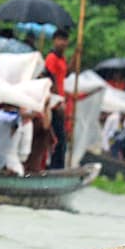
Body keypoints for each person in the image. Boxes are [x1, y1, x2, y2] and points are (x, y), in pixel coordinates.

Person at [44, 29, 74, 169]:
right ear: (54, 41)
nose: (62, 43)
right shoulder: (51, 57)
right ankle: (55, 168)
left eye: (64, 40)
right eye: (59, 39)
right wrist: (58, 102)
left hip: (61, 101)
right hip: (54, 102)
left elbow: (66, 73)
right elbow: (52, 80)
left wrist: (76, 56)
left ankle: (58, 167)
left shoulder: (62, 59)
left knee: (61, 137)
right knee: (58, 137)